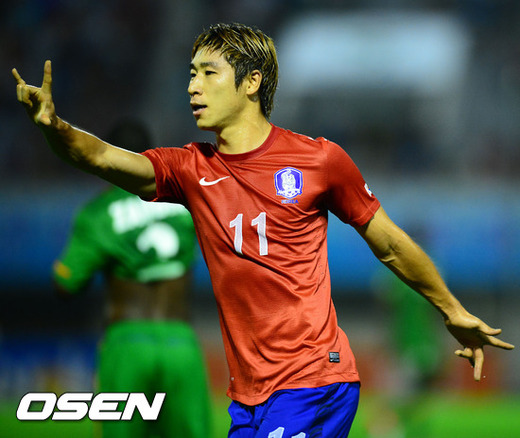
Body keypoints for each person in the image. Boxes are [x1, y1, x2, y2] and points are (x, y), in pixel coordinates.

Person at [13, 23, 514, 438]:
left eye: (208, 73)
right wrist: (54, 127)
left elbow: (390, 244)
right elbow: (102, 157)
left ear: (251, 82)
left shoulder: (319, 160)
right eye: (190, 74)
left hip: (313, 381)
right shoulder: (189, 169)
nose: (192, 87)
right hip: (250, 396)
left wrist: (452, 309)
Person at [52, 119, 212, 438]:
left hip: (127, 343)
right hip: (181, 342)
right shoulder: (184, 200)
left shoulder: (99, 213)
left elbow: (67, 284)